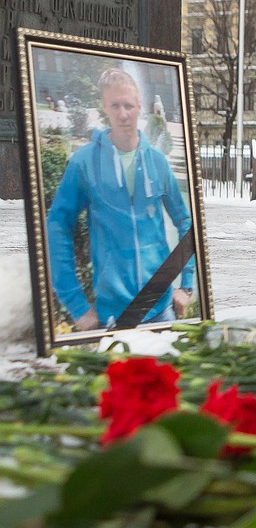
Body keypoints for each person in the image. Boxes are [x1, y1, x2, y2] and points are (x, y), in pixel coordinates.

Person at [46, 67, 195, 332]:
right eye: (115, 106)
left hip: (162, 310)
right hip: (112, 317)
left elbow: (185, 222)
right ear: (104, 107)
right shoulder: (85, 162)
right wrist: (77, 305)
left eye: (129, 105)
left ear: (140, 106)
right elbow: (58, 225)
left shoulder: (157, 162)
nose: (123, 114)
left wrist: (186, 285)